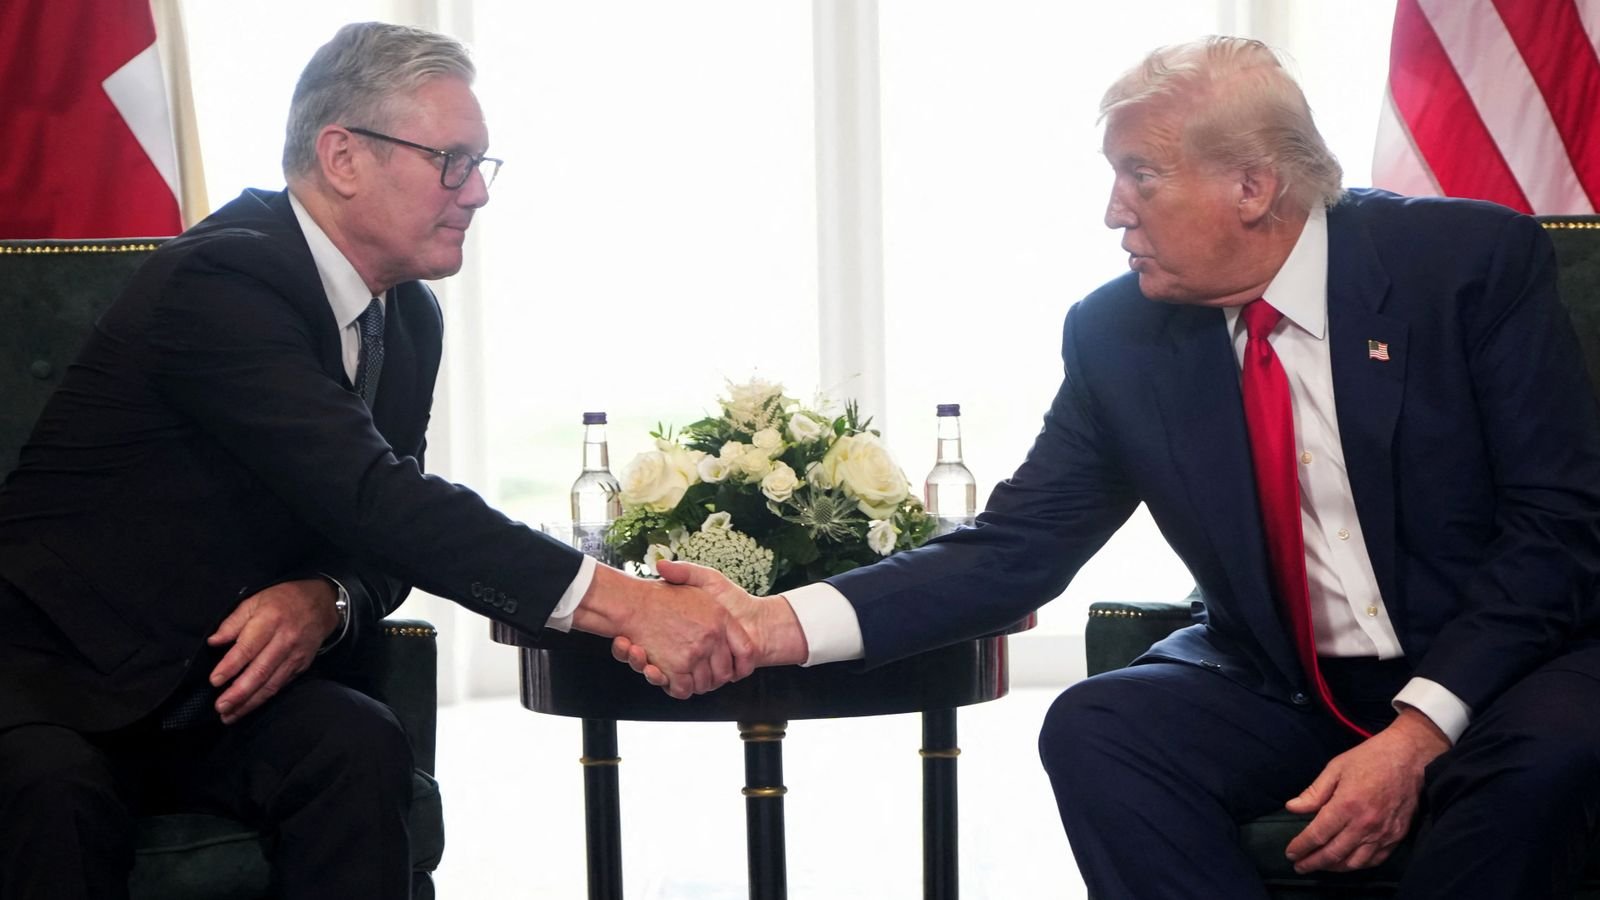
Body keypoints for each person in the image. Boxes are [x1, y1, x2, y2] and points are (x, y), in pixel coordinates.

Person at [619, 36, 1600, 898]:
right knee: (1099, 729)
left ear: (1252, 186)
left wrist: (1418, 732)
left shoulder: (1463, 266)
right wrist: (768, 624)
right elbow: (1011, 549)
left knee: (1553, 759)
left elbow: (1555, 531)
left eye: (1138, 175)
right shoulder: (1117, 333)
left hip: (1498, 668)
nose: (1110, 212)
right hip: (1284, 682)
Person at [0, 22, 751, 900]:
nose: (475, 194)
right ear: (343, 156)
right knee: (51, 795)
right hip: (56, 680)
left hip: (217, 688)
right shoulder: (222, 284)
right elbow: (382, 497)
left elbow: (380, 546)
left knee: (356, 744)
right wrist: (627, 603)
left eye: (482, 166)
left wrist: (329, 597)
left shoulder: (408, 318)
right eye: (453, 162)